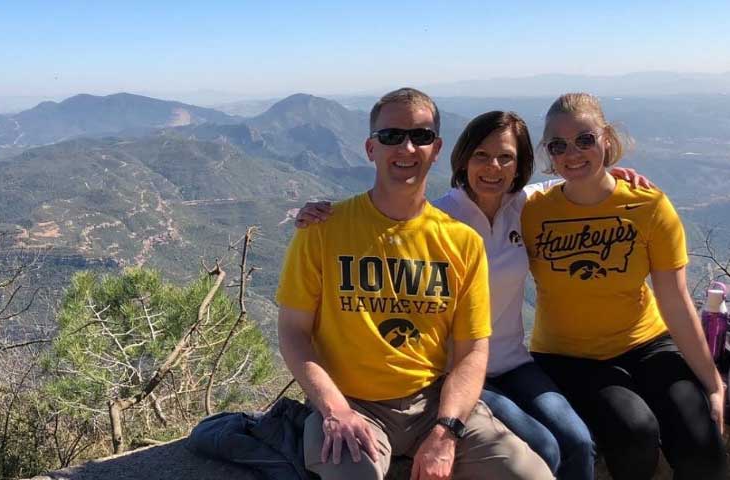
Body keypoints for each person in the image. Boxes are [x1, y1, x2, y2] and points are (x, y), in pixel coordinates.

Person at [297, 110, 652, 480]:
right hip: (460, 369)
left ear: (520, 165)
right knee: (544, 446)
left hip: (514, 362)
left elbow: (578, 182)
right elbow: (380, 240)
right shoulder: (440, 218)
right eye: (481, 155)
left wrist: (615, 176)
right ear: (462, 159)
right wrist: (325, 215)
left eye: (506, 157)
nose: (493, 167)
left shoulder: (527, 206)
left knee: (577, 440)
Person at [276, 88, 553, 480]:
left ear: (436, 148)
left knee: (533, 475)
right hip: (354, 404)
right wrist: (335, 410)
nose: (406, 147)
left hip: (436, 401)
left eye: (420, 136)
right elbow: (292, 331)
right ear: (371, 148)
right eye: (391, 136)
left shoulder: (461, 242)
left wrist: (447, 429)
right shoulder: (323, 230)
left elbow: (473, 349)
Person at [523, 92, 727, 480]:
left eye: (585, 139)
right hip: (569, 356)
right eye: (559, 145)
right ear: (548, 152)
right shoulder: (530, 211)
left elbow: (676, 301)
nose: (573, 152)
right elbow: (485, 198)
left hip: (648, 343)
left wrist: (713, 382)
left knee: (703, 445)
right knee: (634, 431)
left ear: (607, 139)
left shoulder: (648, 206)